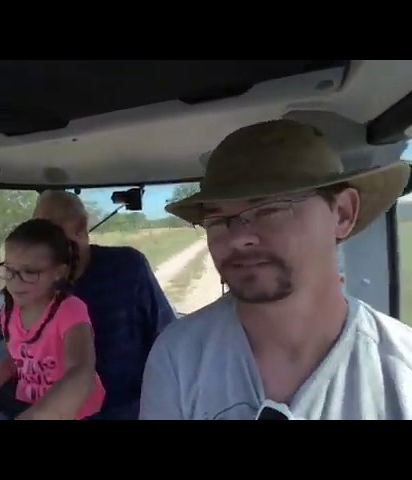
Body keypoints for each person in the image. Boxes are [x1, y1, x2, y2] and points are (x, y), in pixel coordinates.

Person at [139, 118, 412, 420]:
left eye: (270, 210)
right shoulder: (179, 355)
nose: (239, 237)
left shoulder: (401, 370)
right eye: (217, 220)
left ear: (342, 214)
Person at [33, 190, 177, 419]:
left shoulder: (128, 268)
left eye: (55, 237)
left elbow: (166, 336)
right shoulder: (36, 280)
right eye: (40, 238)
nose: (49, 251)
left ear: (80, 228)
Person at [0, 218, 105, 420]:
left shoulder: (70, 310)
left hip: (77, 413)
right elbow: (16, 358)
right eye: (10, 270)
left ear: (59, 272)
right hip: (24, 407)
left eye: (29, 272)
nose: (15, 281)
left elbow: (81, 370)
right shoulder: (10, 311)